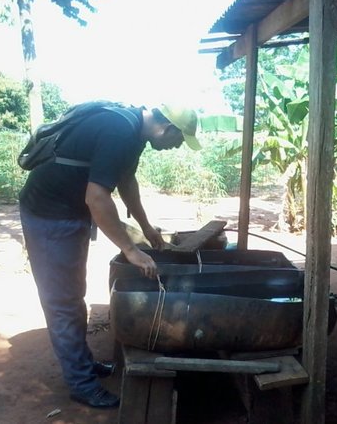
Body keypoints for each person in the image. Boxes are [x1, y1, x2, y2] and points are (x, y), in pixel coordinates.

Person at [19, 102, 201, 407]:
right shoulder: (120, 130)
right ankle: (81, 383)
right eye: (179, 140)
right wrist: (129, 249)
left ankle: (83, 365)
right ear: (167, 128)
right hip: (49, 215)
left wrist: (147, 227)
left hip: (70, 211)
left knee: (74, 295)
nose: (176, 147)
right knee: (63, 302)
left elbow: (126, 181)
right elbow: (97, 196)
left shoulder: (134, 131)